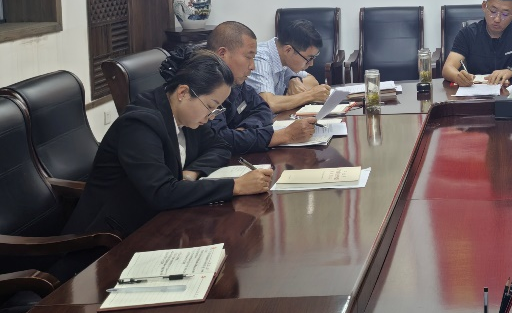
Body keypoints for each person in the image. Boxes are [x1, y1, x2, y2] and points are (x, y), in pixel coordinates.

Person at [65, 50, 273, 239]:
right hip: (108, 239)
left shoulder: (188, 116)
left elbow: (221, 145)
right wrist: (235, 186)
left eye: (217, 109)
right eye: (211, 106)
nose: (212, 116)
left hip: (159, 223)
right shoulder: (139, 124)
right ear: (183, 93)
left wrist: (191, 173)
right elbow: (162, 193)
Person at [207, 21, 319, 154]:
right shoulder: (204, 85)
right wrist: (284, 135)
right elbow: (219, 140)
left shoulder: (237, 82)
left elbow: (263, 108)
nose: (252, 66)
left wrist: (245, 132)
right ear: (222, 54)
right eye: (249, 57)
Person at [246, 18, 332, 111]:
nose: (311, 64)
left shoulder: (282, 56)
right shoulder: (260, 60)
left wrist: (294, 79)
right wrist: (310, 95)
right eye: (309, 58)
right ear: (288, 50)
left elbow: (312, 81)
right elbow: (269, 104)